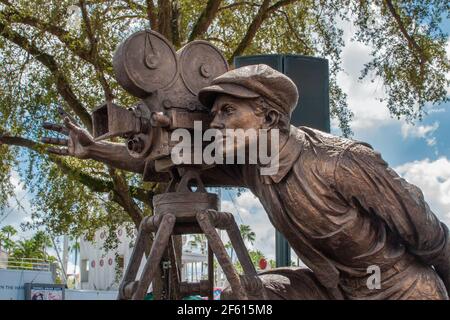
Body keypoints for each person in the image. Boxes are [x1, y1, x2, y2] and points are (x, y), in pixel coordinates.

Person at [42, 64, 450, 300]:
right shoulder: (253, 164)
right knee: (247, 294)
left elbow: (432, 237)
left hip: (401, 291)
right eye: (214, 114)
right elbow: (172, 162)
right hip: (333, 290)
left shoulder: (341, 162)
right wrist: (95, 149)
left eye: (226, 112)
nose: (215, 124)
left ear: (270, 118)